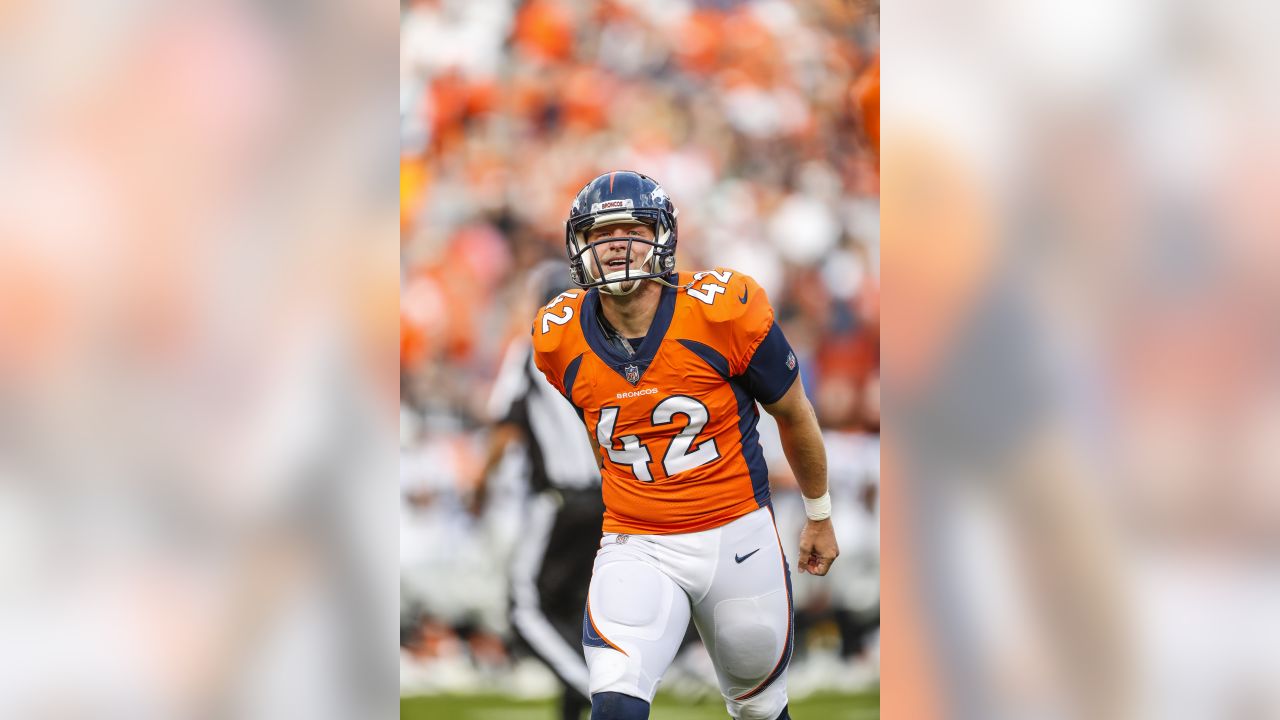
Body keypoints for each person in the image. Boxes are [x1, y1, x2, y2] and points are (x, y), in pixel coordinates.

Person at [531, 171, 839, 720]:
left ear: (663, 238)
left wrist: (818, 512)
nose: (617, 245)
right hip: (636, 539)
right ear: (580, 247)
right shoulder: (557, 336)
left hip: (735, 533)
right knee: (615, 702)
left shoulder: (724, 309)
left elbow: (792, 412)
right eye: (602, 235)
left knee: (760, 708)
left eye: (632, 230)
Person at [472, 261, 607, 720]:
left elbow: (507, 425)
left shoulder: (531, 347)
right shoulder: (606, 348)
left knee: (522, 610)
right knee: (575, 612)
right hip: (608, 501)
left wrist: (480, 484)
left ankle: (601, 692)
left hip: (559, 500)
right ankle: (577, 706)